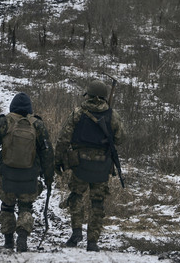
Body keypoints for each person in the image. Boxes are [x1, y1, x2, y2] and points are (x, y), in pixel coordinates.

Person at [54, 80, 125, 252]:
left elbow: (64, 138)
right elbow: (120, 138)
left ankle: (76, 232)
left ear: (89, 94)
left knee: (76, 196)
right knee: (98, 202)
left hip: (80, 164)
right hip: (102, 165)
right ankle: (92, 241)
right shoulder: (112, 114)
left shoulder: (78, 113)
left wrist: (57, 161)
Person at [0, 93, 54, 252]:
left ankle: (8, 242)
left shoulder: (3, 122)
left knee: (7, 206)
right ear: (29, 109)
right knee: (26, 206)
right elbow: (47, 153)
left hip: (7, 174)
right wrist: (48, 176)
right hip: (29, 174)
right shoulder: (37, 125)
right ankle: (22, 237)